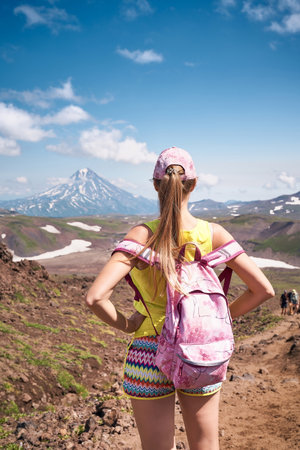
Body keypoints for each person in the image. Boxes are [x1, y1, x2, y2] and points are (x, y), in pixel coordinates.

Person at [86, 147, 275, 450]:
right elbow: (263, 290)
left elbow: (95, 298)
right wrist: (214, 318)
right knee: (205, 444)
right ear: (194, 184)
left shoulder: (141, 235)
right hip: (200, 351)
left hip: (148, 352)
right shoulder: (213, 233)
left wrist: (128, 325)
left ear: (155, 185)